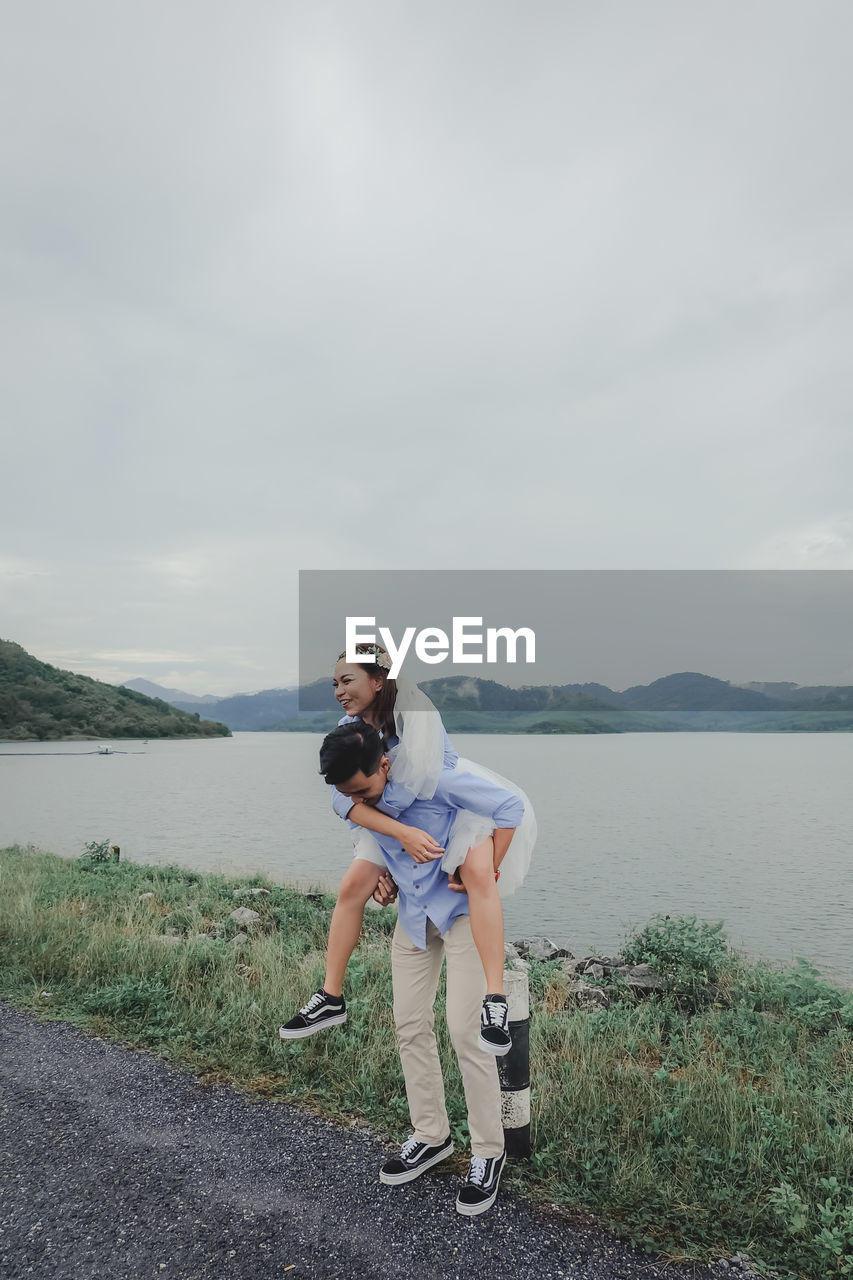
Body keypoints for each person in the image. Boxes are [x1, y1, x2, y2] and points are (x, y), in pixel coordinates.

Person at [279, 643, 535, 1053]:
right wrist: (395, 842)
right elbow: (343, 798)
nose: (339, 692)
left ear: (378, 681)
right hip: (393, 820)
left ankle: (495, 998)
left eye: (348, 681)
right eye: (334, 683)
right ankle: (331, 996)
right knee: (351, 887)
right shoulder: (353, 726)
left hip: (451, 807)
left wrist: (490, 863)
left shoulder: (416, 723)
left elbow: (412, 789)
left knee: (477, 874)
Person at [312, 721, 523, 1215]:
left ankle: (489, 1153)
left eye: (363, 788)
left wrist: (487, 872)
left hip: (461, 915)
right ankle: (432, 1135)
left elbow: (509, 806)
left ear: (384, 763)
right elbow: (358, 820)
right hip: (411, 916)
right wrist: (383, 873)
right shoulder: (354, 793)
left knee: (465, 1031)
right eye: (349, 794)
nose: (357, 801)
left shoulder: (435, 779)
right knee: (409, 1025)